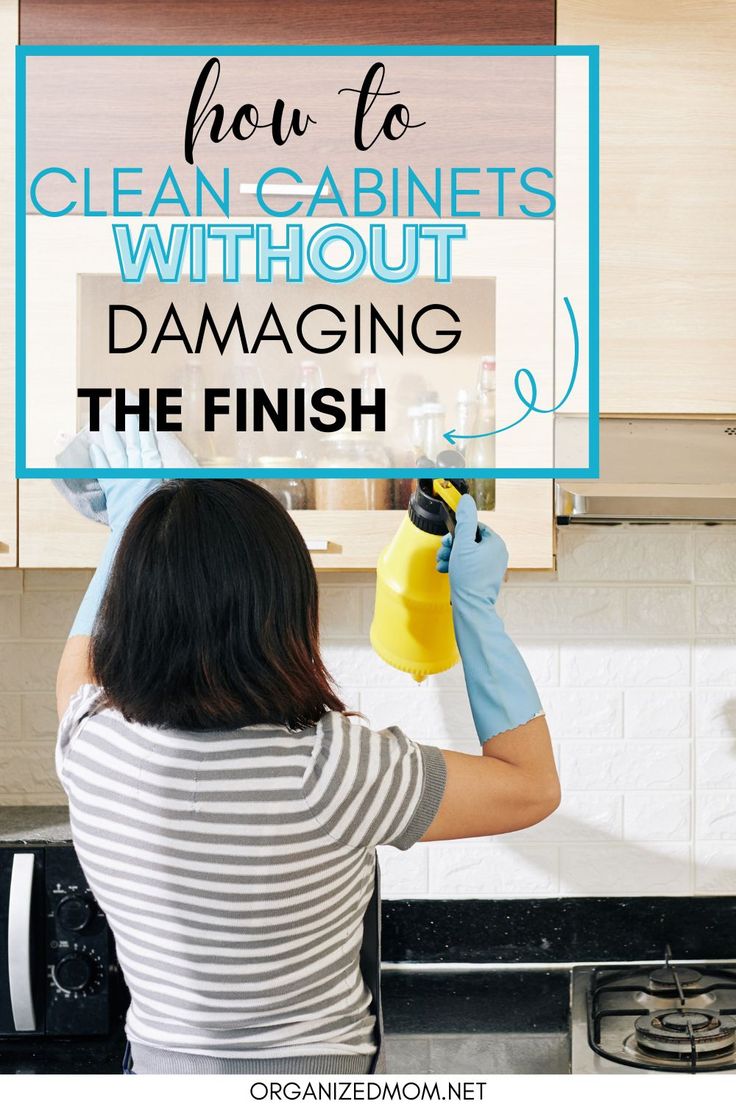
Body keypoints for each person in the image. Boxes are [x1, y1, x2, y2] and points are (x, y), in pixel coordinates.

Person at [55, 421, 560, 1075]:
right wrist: (475, 607)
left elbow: (81, 666)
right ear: (286, 610)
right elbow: (530, 787)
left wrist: (138, 524)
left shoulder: (93, 746)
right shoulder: (329, 769)